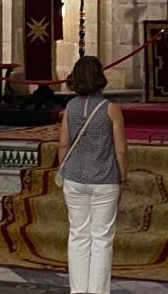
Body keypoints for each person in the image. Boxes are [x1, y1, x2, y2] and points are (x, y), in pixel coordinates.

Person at [57, 55, 128, 294]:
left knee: (77, 235)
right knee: (101, 238)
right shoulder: (111, 109)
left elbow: (63, 145)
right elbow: (120, 149)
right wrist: (123, 178)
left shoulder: (70, 108)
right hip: (104, 180)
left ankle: (77, 291)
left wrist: (63, 172)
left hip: (74, 177)